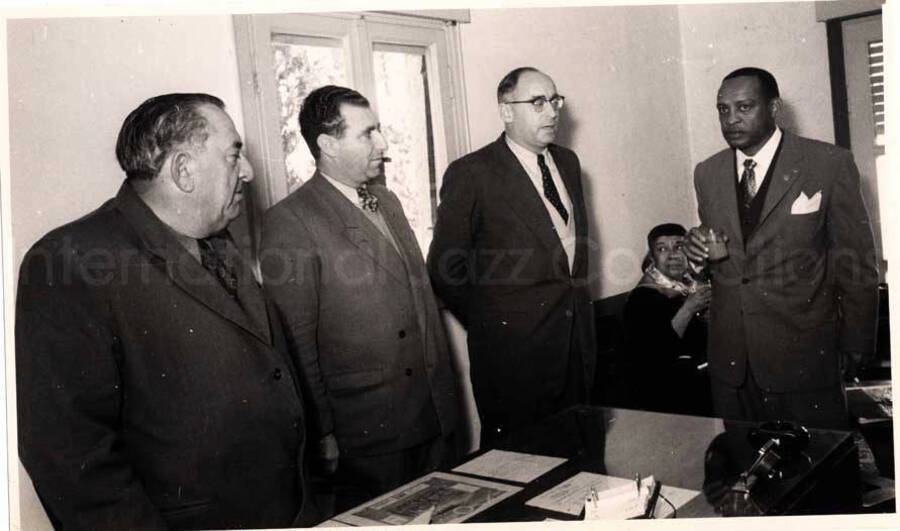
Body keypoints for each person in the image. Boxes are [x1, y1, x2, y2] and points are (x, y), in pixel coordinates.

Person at [16, 93, 311, 529]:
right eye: (234, 155)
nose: (247, 171)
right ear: (183, 170)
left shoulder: (218, 242)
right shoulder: (68, 261)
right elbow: (72, 459)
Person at [259, 85, 459, 513]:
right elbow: (296, 343)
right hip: (368, 433)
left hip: (432, 415)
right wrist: (323, 433)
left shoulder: (387, 200)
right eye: (367, 134)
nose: (382, 145)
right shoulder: (290, 222)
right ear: (327, 145)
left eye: (379, 131)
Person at [685, 67, 879, 429]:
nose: (731, 119)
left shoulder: (827, 163)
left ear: (774, 108)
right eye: (723, 109)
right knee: (743, 470)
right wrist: (695, 247)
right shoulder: (706, 172)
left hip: (805, 357)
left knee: (817, 471)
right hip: (732, 364)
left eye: (744, 107)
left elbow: (856, 261)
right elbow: (723, 248)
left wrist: (857, 340)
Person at [427, 67, 596, 448]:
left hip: (576, 347)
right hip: (514, 360)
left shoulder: (568, 163)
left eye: (555, 101)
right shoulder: (473, 173)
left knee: (581, 462)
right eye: (537, 102)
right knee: (521, 469)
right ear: (506, 111)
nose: (552, 112)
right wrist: (496, 322)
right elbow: (443, 268)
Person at [623, 223, 712, 416]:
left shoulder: (690, 284)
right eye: (662, 249)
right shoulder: (642, 297)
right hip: (670, 396)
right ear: (653, 258)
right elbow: (658, 352)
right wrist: (689, 308)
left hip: (701, 380)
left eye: (679, 247)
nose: (672, 255)